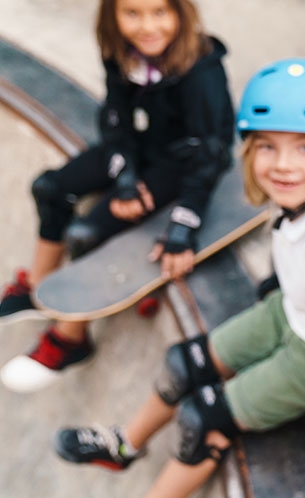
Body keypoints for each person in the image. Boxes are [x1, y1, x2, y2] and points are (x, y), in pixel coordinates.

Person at [53, 57, 305, 498]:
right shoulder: (303, 201)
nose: (283, 166)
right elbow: (297, 248)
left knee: (204, 420)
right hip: (297, 313)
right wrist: (282, 285)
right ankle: (124, 445)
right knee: (184, 364)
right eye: (267, 147)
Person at [0, 0, 234, 393]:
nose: (147, 27)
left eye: (160, 12)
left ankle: (71, 338)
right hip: (140, 147)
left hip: (182, 161)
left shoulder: (200, 69)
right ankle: (38, 285)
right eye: (133, 14)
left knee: (87, 233)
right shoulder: (120, 50)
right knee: (49, 187)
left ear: (181, 13)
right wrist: (125, 174)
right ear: (113, 16)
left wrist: (184, 222)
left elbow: (211, 153)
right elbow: (115, 118)